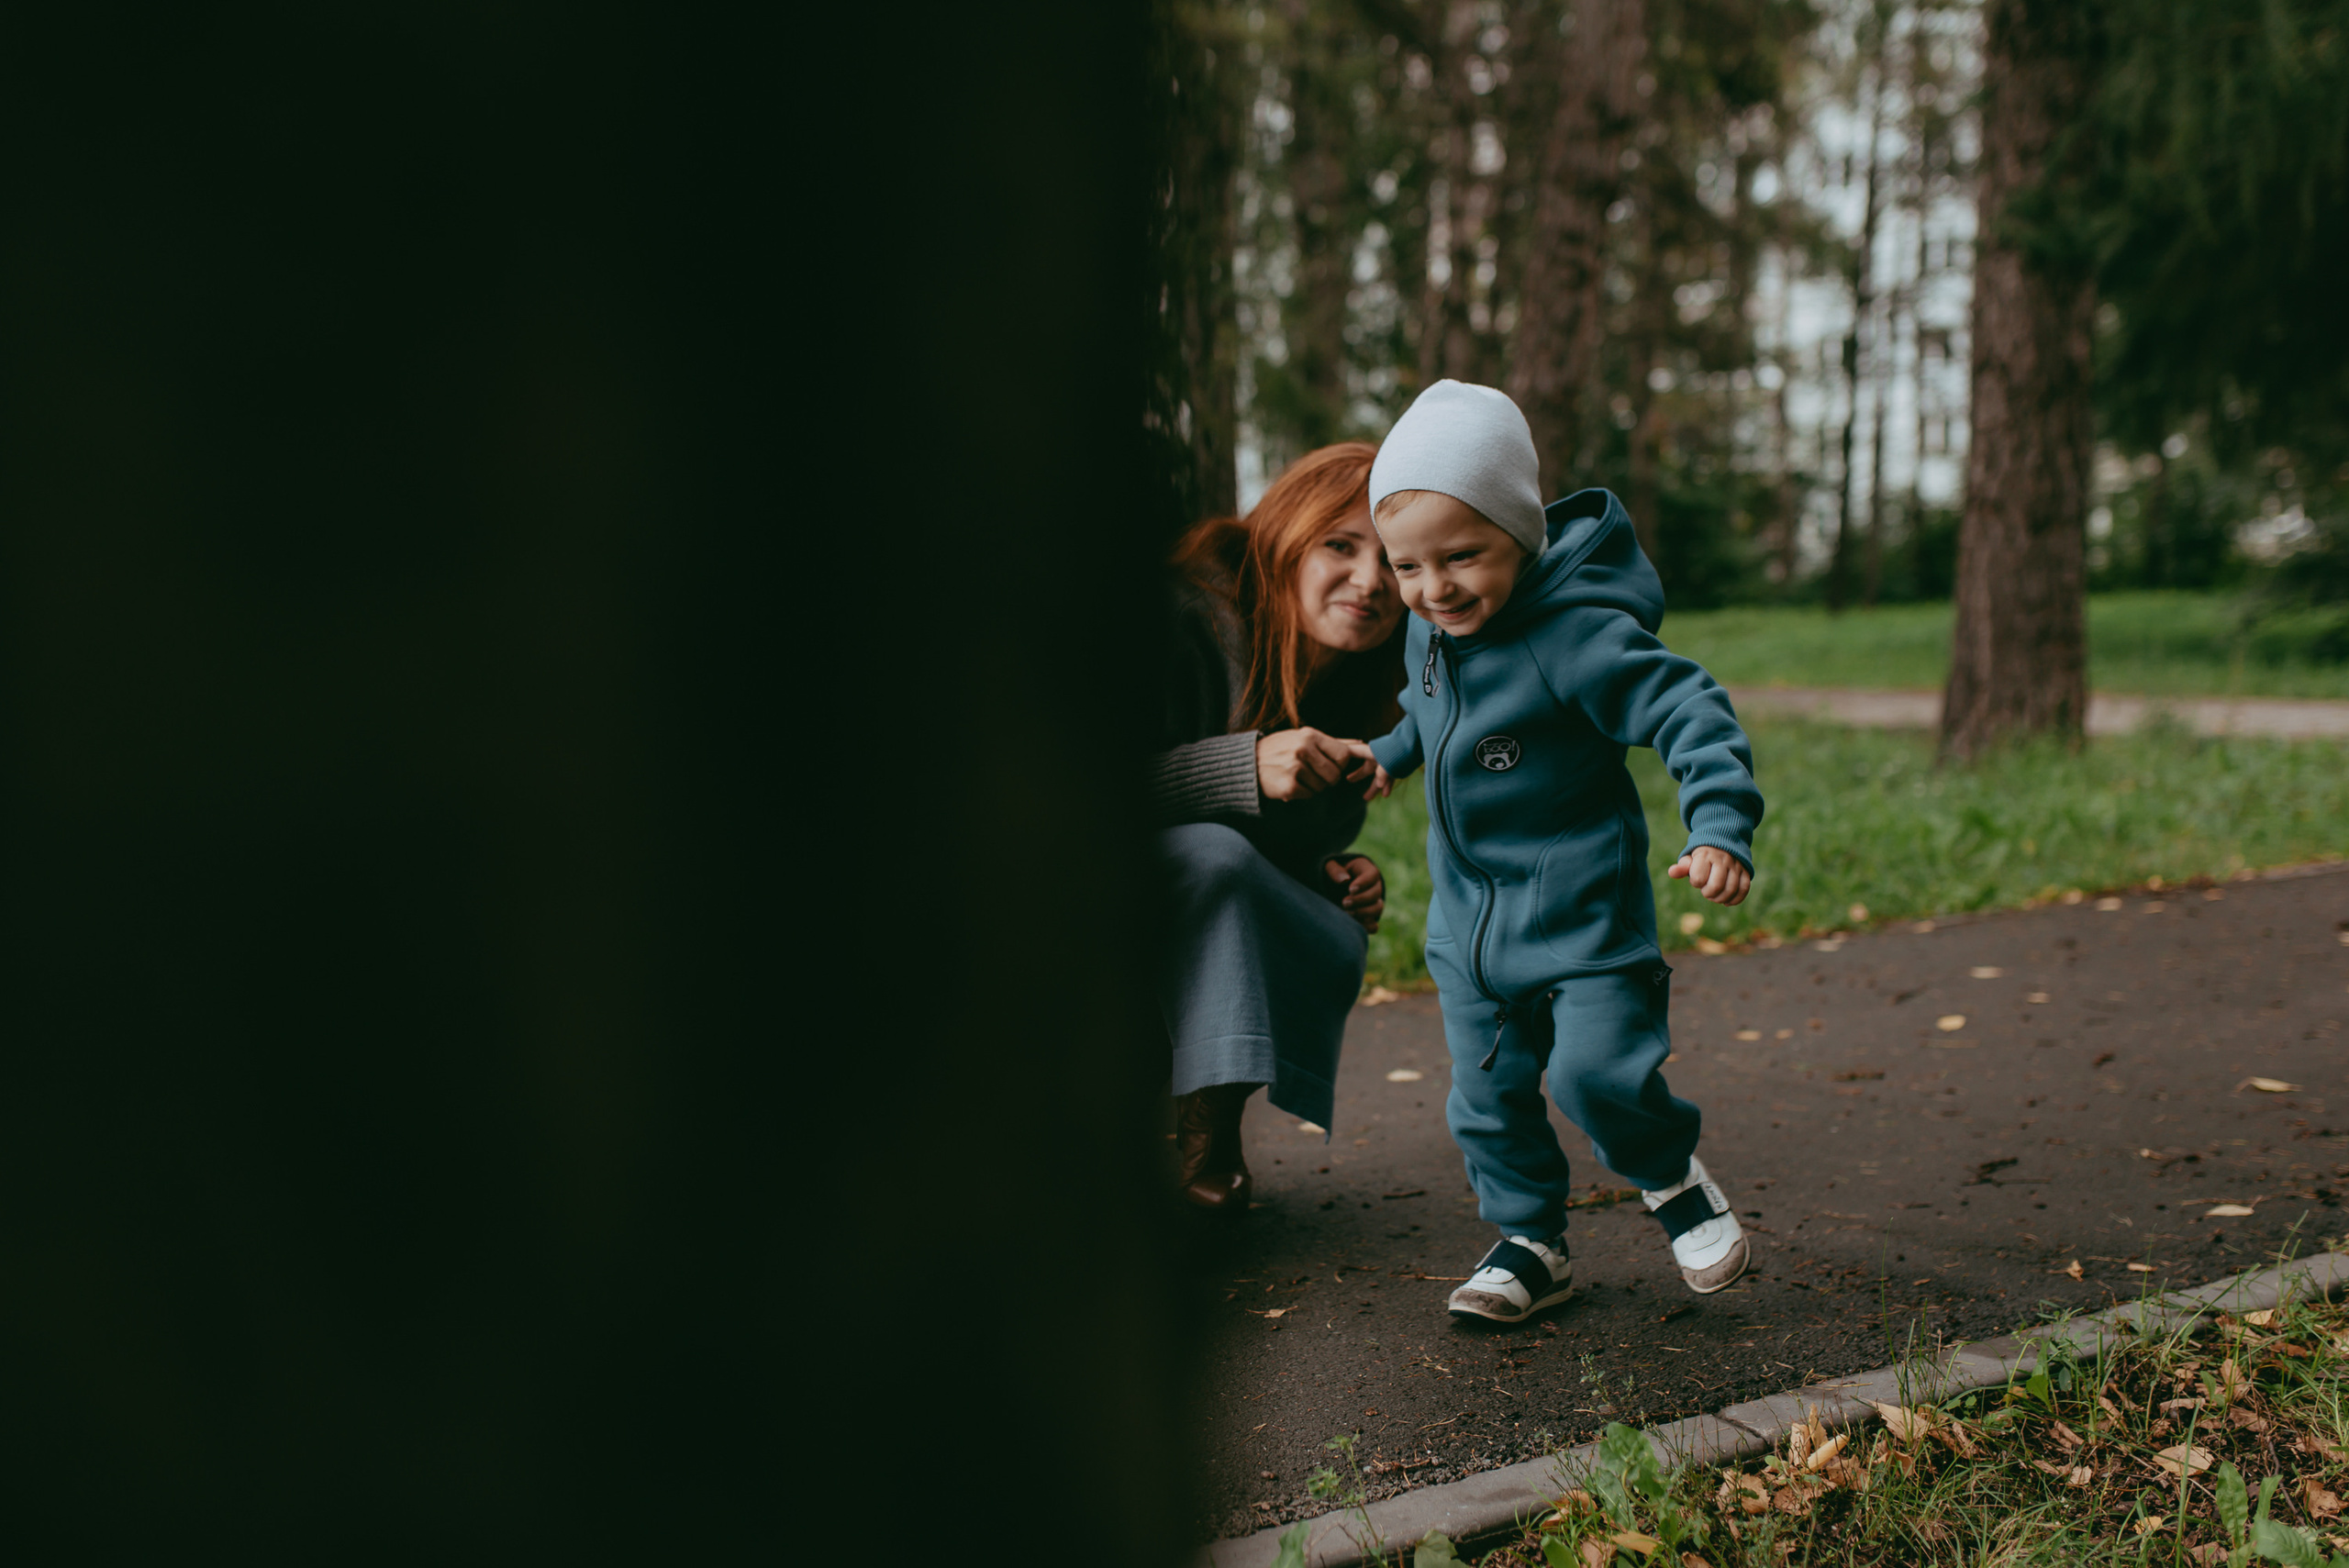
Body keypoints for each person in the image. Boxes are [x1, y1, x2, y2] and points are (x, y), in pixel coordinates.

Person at [1359, 380, 1765, 1322]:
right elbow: (1431, 710)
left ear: (1520, 531)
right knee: (1488, 1097)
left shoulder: (1575, 635)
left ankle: (1671, 1176)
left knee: (1592, 1073)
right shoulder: (1432, 624)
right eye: (1407, 566)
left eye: (1462, 556)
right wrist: (1385, 756)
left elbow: (1688, 711)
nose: (1434, 588)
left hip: (1583, 914)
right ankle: (1530, 1244)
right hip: (1469, 929)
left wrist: (1716, 825)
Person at [1152, 443, 1405, 1213]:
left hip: (1173, 901)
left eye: (1395, 561)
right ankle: (1195, 1148)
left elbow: (1265, 858)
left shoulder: (1357, 679)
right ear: (1289, 533)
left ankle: (1202, 1129)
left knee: (1325, 920)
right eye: (1340, 544)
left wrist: (1334, 874)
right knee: (1211, 854)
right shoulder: (1182, 615)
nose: (1368, 582)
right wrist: (1241, 764)